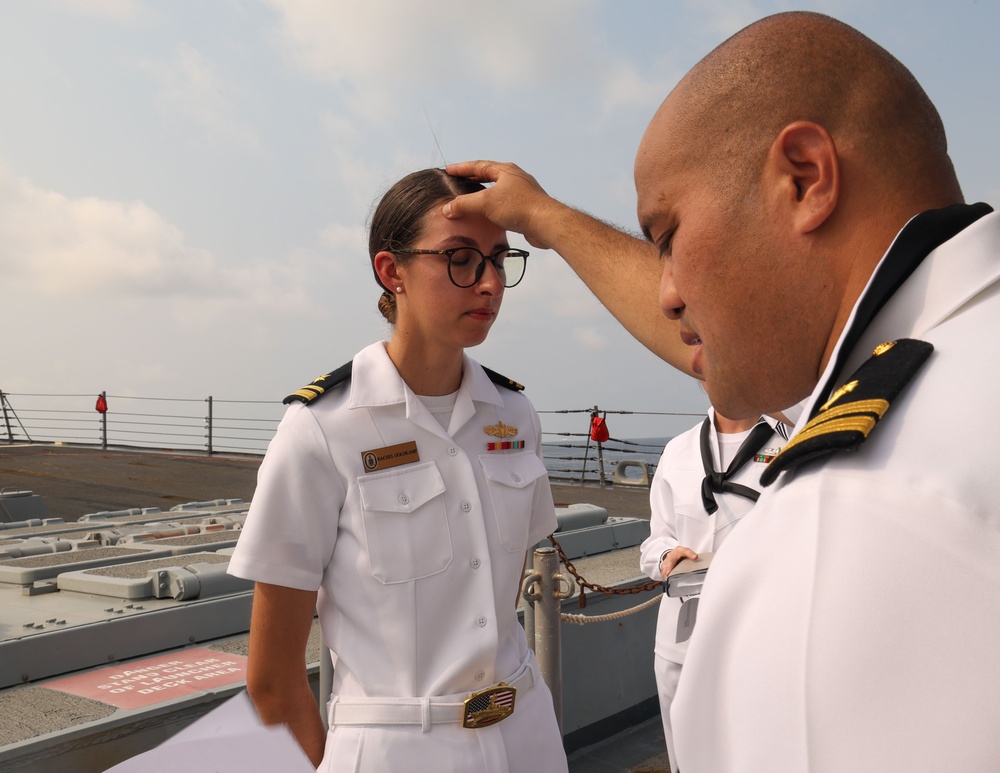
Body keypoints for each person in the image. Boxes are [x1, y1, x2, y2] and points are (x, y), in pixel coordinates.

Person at [444, 11, 1000, 771]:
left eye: (667, 235)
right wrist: (542, 216)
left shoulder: (843, 531)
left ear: (805, 178)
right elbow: (729, 328)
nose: (669, 294)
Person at [227, 168, 568, 772]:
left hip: (527, 737)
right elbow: (273, 680)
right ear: (392, 272)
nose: (489, 283)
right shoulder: (322, 430)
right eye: (461, 259)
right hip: (399, 752)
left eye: (498, 258)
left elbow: (498, 593)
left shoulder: (514, 415)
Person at [639, 406, 788, 772]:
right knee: (685, 759)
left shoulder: (794, 442)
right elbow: (655, 539)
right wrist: (667, 555)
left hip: (762, 636)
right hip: (681, 639)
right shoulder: (679, 449)